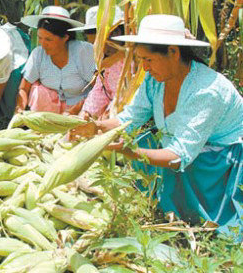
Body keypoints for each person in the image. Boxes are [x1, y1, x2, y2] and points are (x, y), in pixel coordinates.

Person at [72, 14, 242, 237]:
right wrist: (96, 128)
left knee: (154, 152)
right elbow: (129, 118)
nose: (144, 67)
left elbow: (179, 156)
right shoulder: (154, 80)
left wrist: (129, 151)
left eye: (149, 60)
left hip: (220, 157)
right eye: (141, 59)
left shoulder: (206, 92)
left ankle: (198, 216)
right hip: (185, 147)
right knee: (148, 141)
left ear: (173, 51)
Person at [16, 6, 95, 114]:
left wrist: (78, 109)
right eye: (40, 38)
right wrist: (19, 109)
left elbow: (98, 88)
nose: (43, 44)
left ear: (65, 37)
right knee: (38, 90)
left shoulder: (82, 51)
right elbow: (24, 88)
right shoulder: (38, 54)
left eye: (48, 39)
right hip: (50, 110)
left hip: (83, 106)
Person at [68, 6, 126, 119]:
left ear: (117, 33)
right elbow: (100, 91)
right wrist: (87, 113)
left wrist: (110, 112)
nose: (100, 50)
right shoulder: (103, 61)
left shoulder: (137, 61)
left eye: (101, 44)